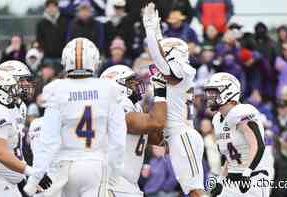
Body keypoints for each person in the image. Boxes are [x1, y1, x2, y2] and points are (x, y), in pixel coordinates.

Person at [23, 38, 127, 197]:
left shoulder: (57, 89)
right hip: (95, 164)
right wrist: (116, 171)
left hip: (64, 167)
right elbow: (118, 139)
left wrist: (35, 178)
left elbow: (48, 140)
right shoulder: (108, 88)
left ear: (66, 61)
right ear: (94, 61)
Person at [143, 3, 205, 196]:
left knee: (195, 190)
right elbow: (161, 56)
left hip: (182, 134)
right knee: (190, 190)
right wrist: (156, 32)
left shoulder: (184, 70)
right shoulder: (177, 69)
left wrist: (149, 30)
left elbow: (160, 59)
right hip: (174, 136)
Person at [0, 70, 51, 197]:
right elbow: (0, 152)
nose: (15, 92)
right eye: (10, 89)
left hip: (3, 182)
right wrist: (33, 172)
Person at [100, 64, 167, 197]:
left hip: (127, 184)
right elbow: (156, 122)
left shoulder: (135, 107)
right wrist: (160, 94)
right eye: (131, 82)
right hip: (112, 184)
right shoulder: (116, 107)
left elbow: (161, 140)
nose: (136, 85)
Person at [204, 72, 274, 197]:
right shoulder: (217, 119)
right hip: (232, 179)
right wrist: (220, 180)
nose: (210, 96)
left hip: (254, 176)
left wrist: (247, 173)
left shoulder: (241, 112)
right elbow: (230, 156)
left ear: (228, 92)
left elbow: (258, 145)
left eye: (213, 92)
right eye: (209, 92)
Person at [36, 0, 69, 65]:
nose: (51, 9)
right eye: (49, 7)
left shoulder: (64, 22)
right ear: (46, 9)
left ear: (57, 8)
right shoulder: (41, 24)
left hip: (62, 57)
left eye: (53, 7)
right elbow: (39, 39)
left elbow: (67, 38)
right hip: (48, 58)